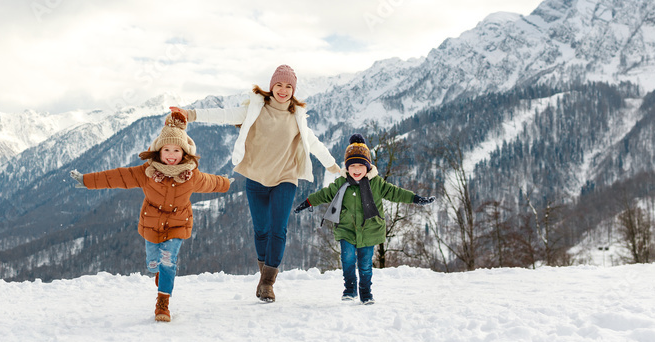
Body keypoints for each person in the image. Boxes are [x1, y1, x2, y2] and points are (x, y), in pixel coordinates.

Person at [169, 64, 341, 303]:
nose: (283, 90)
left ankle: (268, 283)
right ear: (271, 87)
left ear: (294, 90)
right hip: (256, 178)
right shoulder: (256, 109)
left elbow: (315, 143)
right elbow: (225, 115)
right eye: (279, 85)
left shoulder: (297, 117)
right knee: (261, 230)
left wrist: (333, 166)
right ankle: (264, 275)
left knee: (278, 229)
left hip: (285, 179)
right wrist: (190, 114)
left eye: (288, 86)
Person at [69, 112, 231, 322]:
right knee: (152, 263)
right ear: (158, 151)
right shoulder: (146, 172)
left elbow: (213, 182)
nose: (171, 154)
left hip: (178, 223)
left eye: (176, 150)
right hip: (151, 223)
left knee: (168, 261)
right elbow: (117, 176)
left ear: (184, 152)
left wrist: (227, 183)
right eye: (167, 150)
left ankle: (162, 304)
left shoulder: (191, 176)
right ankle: (157, 271)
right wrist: (87, 180)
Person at [294, 134, 435, 304]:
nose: (356, 169)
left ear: (367, 167)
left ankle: (366, 292)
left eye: (361, 165)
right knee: (347, 260)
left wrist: (416, 199)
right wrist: (307, 202)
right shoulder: (341, 183)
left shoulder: (376, 184)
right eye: (352, 165)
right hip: (346, 230)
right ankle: (350, 289)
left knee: (365, 265)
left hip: (369, 231)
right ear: (347, 167)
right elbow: (324, 194)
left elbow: (396, 193)